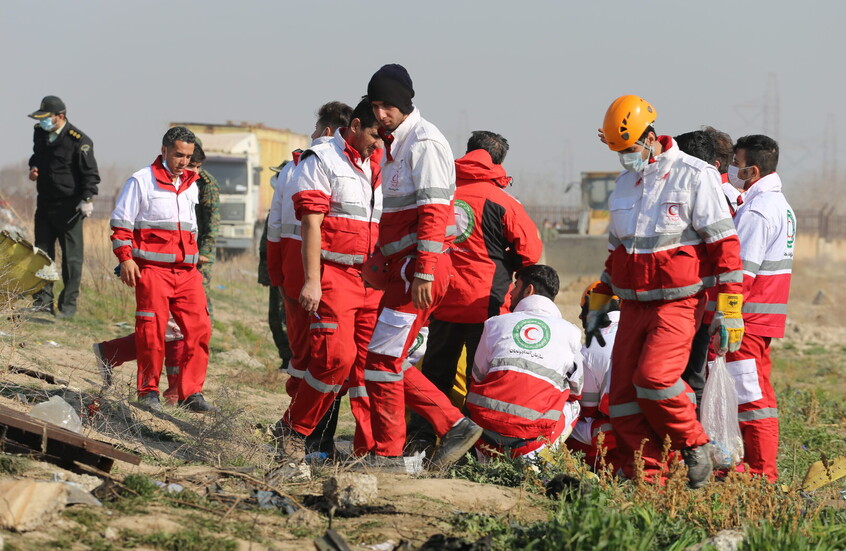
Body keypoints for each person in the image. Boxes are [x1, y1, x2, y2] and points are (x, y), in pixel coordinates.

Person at [589, 95, 744, 488]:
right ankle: (644, 478)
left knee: (655, 380)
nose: (625, 157)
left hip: (678, 302)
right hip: (633, 306)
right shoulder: (626, 183)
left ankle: (696, 446)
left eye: (628, 149)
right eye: (618, 151)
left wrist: (730, 307)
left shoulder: (694, 175)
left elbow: (724, 245)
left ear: (652, 137)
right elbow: (617, 253)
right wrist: (598, 299)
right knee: (623, 398)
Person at [361, 63, 482, 471]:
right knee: (384, 358)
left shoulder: (424, 142)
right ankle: (452, 425)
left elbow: (433, 213)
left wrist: (425, 271)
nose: (380, 114)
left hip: (420, 269)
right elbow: (398, 216)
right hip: (405, 268)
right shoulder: (394, 146)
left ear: (404, 102)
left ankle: (392, 451)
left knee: (382, 359)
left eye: (387, 105)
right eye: (375, 105)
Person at [407, 130, 543, 452]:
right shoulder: (504, 201)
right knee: (478, 378)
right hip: (486, 303)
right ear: (497, 162)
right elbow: (531, 252)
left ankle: (421, 440)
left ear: (467, 153)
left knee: (435, 373)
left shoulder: (443, 192)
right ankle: (474, 446)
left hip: (440, 298)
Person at [273, 98, 384, 459]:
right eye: (373, 133)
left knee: (368, 366)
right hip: (334, 275)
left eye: (383, 135)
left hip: (371, 280)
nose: (378, 142)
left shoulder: (380, 165)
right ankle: (293, 430)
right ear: (353, 125)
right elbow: (310, 225)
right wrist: (311, 281)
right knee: (334, 359)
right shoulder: (320, 161)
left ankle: (370, 449)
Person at [94, 147, 214, 405]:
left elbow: (192, 229)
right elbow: (122, 223)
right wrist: (125, 259)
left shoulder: (193, 186)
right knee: (153, 332)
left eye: (190, 160)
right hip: (153, 271)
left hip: (186, 273)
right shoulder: (142, 181)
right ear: (165, 152)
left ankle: (190, 393)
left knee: (198, 330)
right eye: (180, 157)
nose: (186, 164)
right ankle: (148, 390)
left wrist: (195, 257)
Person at [266, 102, 352, 459]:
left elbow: (274, 228)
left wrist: (278, 277)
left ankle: (308, 436)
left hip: (296, 277)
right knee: (326, 361)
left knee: (310, 360)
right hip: (317, 279)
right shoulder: (319, 165)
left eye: (317, 130)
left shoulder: (294, 167)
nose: (314, 136)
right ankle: (313, 439)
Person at [723, 134, 794, 481]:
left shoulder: (758, 210)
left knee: (751, 398)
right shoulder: (778, 204)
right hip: (763, 316)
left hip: (748, 318)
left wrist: (726, 315)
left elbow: (742, 273)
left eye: (736, 164)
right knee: (756, 392)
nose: (732, 170)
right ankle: (755, 467)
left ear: (752, 170)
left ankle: (760, 472)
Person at [469, 265, 583, 459]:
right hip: (528, 444)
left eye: (516, 285)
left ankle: (485, 460)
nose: (511, 293)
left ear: (528, 290)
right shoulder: (571, 332)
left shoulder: (494, 324)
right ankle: (541, 460)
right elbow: (577, 390)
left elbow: (477, 376)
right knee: (573, 405)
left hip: (484, 438)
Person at [27, 95, 100, 318]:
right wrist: (33, 169)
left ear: (60, 116)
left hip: (70, 209)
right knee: (42, 255)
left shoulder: (79, 140)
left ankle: (67, 307)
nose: (42, 122)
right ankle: (42, 303)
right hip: (45, 204)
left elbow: (90, 175)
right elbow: (36, 157)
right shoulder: (40, 132)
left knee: (72, 260)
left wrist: (87, 199)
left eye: (46, 118)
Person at [567, 282, 620, 469]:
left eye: (584, 309)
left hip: (622, 435)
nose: (581, 316)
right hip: (662, 428)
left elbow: (587, 409)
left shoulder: (591, 348)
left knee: (566, 420)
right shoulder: (639, 329)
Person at [259, 165, 292, 370]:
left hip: (285, 273)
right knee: (275, 318)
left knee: (284, 318)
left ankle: (291, 359)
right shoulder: (278, 204)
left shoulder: (289, 205)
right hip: (274, 273)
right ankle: (286, 358)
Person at [191, 141, 220, 315]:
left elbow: (213, 222)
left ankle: (204, 336)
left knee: (200, 297)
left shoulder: (206, 184)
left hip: (200, 251)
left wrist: (205, 253)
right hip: (183, 250)